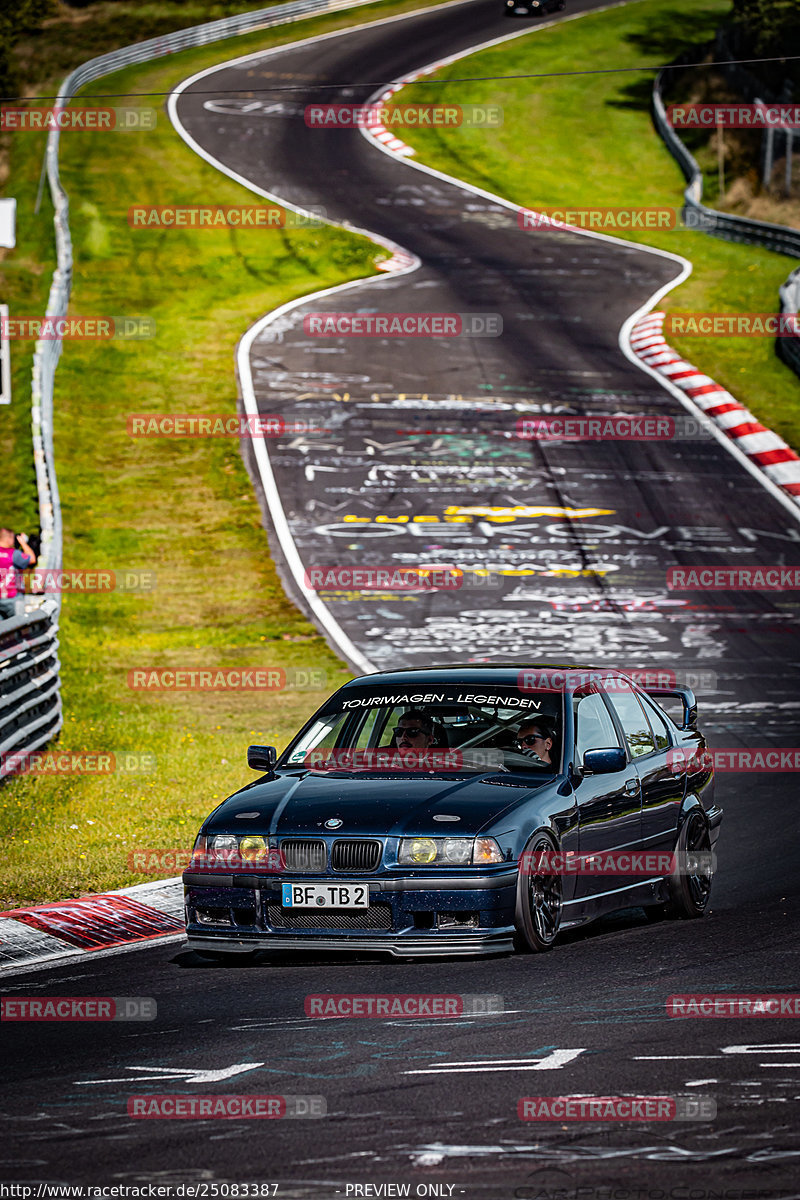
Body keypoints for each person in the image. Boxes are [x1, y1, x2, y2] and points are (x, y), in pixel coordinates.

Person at [0, 528, 36, 620]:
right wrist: (23, 543)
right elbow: (32, 559)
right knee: (17, 627)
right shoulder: (13, 554)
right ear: (9, 539)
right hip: (13, 598)